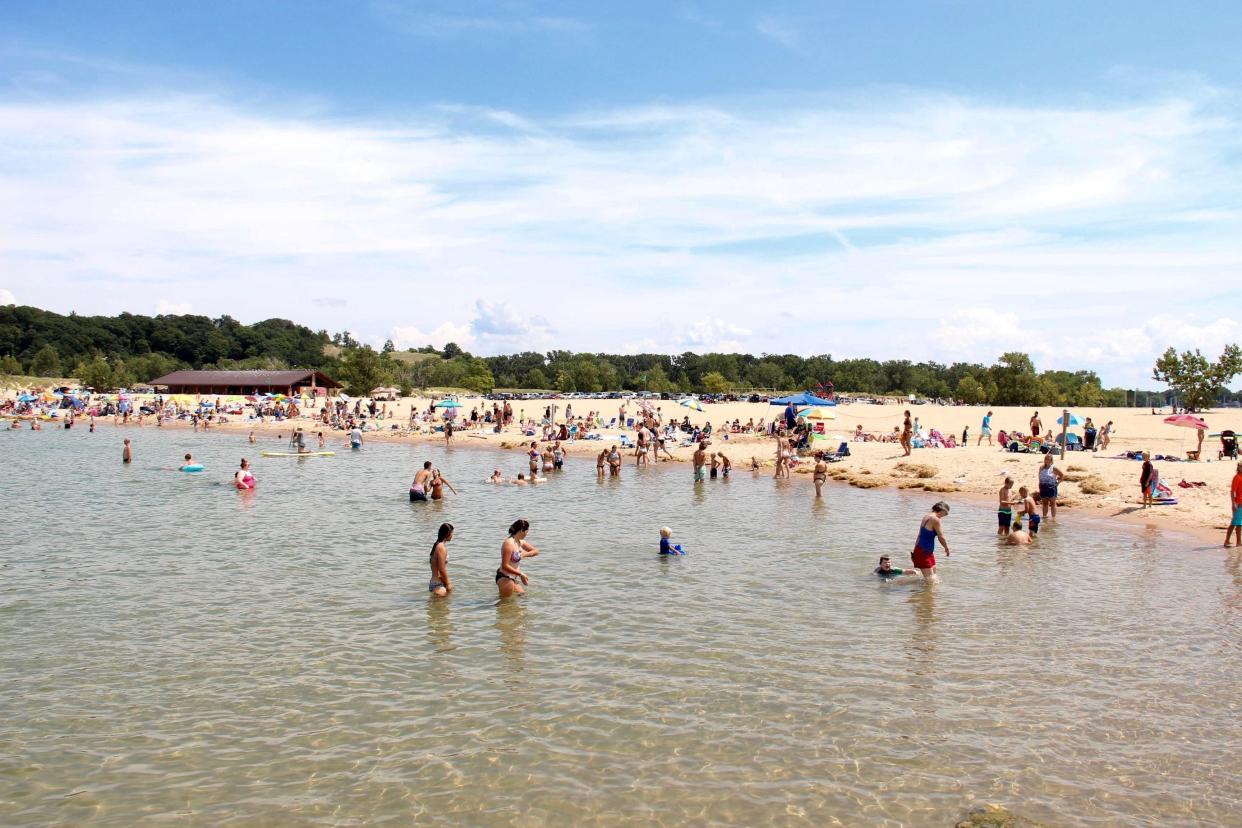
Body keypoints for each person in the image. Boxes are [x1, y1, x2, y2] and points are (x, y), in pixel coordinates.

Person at [497, 519, 539, 598]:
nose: (527, 533)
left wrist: (524, 554)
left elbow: (536, 551)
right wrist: (521, 574)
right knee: (504, 603)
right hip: (505, 577)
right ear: (521, 531)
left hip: (513, 577)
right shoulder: (509, 543)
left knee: (524, 596)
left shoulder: (520, 542)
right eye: (527, 531)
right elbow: (505, 566)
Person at [911, 502, 951, 582]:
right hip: (923, 552)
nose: (943, 517)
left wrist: (915, 551)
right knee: (931, 581)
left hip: (925, 551)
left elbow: (919, 535)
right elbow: (941, 537)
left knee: (933, 576)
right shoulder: (935, 519)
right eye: (944, 514)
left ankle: (924, 591)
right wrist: (946, 548)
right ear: (942, 510)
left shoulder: (926, 516)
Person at [429, 523, 453, 597]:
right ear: (448, 533)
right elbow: (441, 569)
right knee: (442, 608)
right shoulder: (441, 547)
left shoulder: (436, 545)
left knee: (436, 608)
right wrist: (448, 583)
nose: (452, 535)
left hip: (435, 583)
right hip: (438, 585)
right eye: (452, 533)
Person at [1038, 455, 1064, 520]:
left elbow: (1062, 475)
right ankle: (1044, 517)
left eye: (1048, 459)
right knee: (1044, 503)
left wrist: (1058, 483)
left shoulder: (1053, 468)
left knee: (1052, 503)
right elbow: (1039, 475)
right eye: (1046, 459)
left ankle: (1053, 518)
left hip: (1051, 487)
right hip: (1043, 487)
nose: (1047, 461)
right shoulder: (1041, 467)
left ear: (1051, 461)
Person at [1226, 461, 1242, 547]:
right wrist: (1233, 503)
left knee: (1234, 523)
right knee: (1239, 524)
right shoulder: (1237, 477)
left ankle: (1227, 541)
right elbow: (1233, 491)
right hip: (1238, 504)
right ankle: (1239, 542)